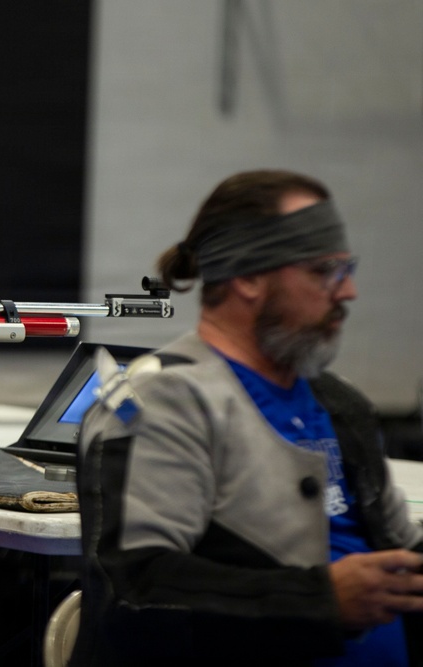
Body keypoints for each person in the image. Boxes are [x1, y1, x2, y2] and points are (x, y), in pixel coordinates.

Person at [72, 170, 423, 666]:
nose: (349, 293)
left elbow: (402, 549)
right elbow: (135, 591)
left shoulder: (339, 403)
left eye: (348, 269)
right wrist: (319, 602)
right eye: (325, 271)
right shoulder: (165, 400)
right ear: (249, 277)